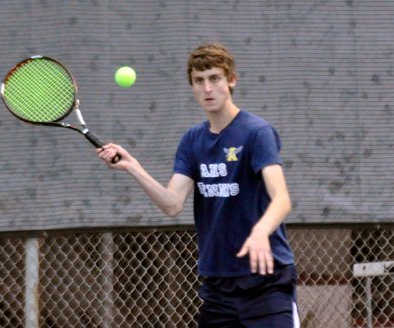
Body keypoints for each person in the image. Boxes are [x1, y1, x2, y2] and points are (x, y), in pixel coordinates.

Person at [97, 43, 300, 328]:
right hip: (218, 287)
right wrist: (134, 168)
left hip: (267, 282)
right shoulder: (192, 141)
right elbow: (172, 203)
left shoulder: (257, 133)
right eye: (199, 81)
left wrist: (260, 231)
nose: (207, 88)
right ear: (192, 86)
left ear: (231, 80)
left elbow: (281, 199)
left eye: (215, 78)